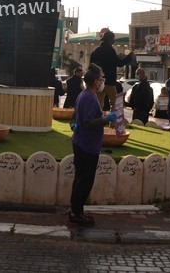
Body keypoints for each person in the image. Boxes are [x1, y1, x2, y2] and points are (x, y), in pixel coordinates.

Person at [68, 63, 118, 225]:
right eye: (101, 78)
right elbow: (89, 122)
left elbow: (77, 116)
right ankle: (76, 213)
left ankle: (76, 210)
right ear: (96, 82)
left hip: (82, 142)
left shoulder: (85, 94)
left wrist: (76, 123)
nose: (103, 81)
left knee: (80, 178)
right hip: (87, 145)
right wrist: (106, 119)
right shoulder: (89, 97)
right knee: (85, 180)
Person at [89, 29, 134, 110]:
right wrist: (129, 57)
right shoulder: (110, 50)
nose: (114, 41)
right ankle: (113, 122)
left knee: (99, 102)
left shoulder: (95, 50)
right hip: (110, 81)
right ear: (109, 40)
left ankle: (99, 119)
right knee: (114, 103)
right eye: (113, 39)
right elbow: (119, 63)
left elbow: (91, 66)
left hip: (98, 81)